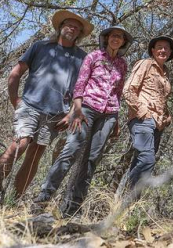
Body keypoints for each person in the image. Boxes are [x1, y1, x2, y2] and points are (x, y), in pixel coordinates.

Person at [0, 10, 93, 198]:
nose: (72, 29)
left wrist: (71, 114)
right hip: (30, 106)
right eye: (69, 24)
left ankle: (12, 203)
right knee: (20, 145)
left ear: (80, 34)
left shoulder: (82, 58)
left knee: (35, 154)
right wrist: (15, 101)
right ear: (60, 27)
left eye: (76, 27)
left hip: (56, 115)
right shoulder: (41, 47)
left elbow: (80, 89)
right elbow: (15, 73)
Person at [34, 25, 132, 214]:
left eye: (120, 37)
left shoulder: (122, 64)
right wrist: (76, 110)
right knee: (71, 150)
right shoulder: (94, 56)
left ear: (123, 42)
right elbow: (80, 84)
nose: (116, 39)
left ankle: (72, 207)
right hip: (86, 108)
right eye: (113, 36)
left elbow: (118, 92)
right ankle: (43, 198)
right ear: (106, 38)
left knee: (92, 158)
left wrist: (117, 119)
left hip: (109, 114)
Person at [123, 35, 173, 188]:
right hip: (142, 119)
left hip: (158, 124)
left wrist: (167, 116)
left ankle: (127, 204)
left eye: (166, 48)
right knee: (147, 159)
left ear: (170, 52)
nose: (163, 50)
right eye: (159, 47)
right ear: (153, 50)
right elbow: (128, 90)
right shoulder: (145, 64)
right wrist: (143, 111)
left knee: (142, 160)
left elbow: (160, 97)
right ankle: (129, 192)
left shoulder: (165, 72)